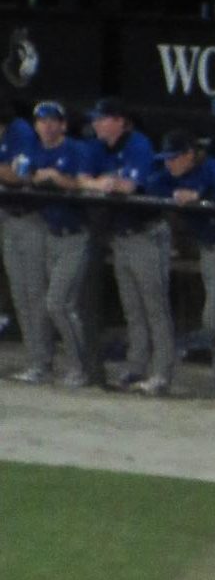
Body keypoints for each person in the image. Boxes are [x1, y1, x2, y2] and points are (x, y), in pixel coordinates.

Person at [75, 96, 173, 395]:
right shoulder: (96, 146)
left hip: (146, 234)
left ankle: (161, 374)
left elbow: (128, 186)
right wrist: (100, 183)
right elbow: (81, 179)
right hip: (120, 237)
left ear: (118, 120)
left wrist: (106, 182)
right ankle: (136, 366)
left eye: (101, 118)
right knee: (132, 307)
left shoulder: (138, 144)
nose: (95, 124)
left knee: (154, 307)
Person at [146, 130, 215, 397]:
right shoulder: (174, 175)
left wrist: (201, 196)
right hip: (208, 253)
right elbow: (151, 184)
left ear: (189, 155)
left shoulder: (211, 169)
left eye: (174, 158)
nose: (169, 164)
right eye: (166, 159)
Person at [24, 100, 103, 388]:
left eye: (52, 120)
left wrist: (57, 178)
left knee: (59, 303)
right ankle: (45, 365)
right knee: (49, 304)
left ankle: (82, 368)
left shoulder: (76, 149)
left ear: (63, 124)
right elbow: (22, 176)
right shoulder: (33, 149)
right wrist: (34, 177)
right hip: (49, 233)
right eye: (42, 121)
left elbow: (82, 183)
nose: (47, 125)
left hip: (76, 234)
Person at [0, 99, 56, 382]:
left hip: (33, 221)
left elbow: (18, 176)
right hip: (9, 220)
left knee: (36, 294)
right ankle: (36, 361)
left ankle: (44, 362)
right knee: (21, 295)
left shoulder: (19, 131)